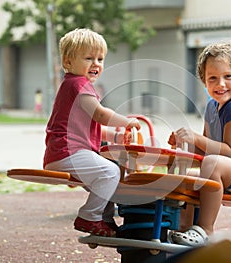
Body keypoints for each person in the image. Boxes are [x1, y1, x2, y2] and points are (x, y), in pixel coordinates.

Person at [167, 41, 231, 246]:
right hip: (229, 168)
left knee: (212, 164)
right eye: (212, 78)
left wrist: (196, 138)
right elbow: (207, 150)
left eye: (228, 77)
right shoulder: (211, 106)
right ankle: (182, 227)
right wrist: (185, 144)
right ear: (204, 81)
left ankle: (205, 229)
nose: (220, 84)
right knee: (185, 173)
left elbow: (229, 151)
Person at [43, 28, 140, 237]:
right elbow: (100, 114)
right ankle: (89, 217)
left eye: (100, 59)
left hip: (62, 152)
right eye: (88, 58)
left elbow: (90, 126)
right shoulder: (79, 84)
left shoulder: (72, 85)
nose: (96, 64)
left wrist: (115, 136)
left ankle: (104, 220)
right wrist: (127, 123)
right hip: (67, 152)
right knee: (111, 173)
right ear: (68, 62)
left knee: (109, 175)